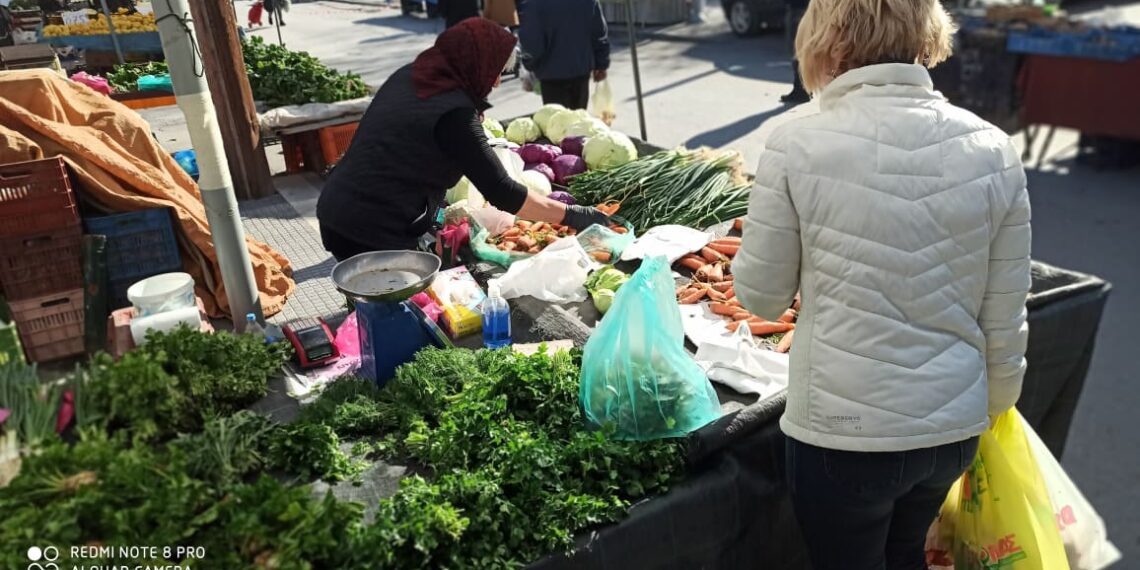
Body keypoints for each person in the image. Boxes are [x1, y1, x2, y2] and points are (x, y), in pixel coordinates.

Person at [731, 0, 1032, 567]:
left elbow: (762, 297)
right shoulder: (993, 148)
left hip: (843, 436)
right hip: (951, 429)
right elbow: (1006, 306)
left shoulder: (796, 143)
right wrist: (992, 403)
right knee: (906, 555)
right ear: (927, 36)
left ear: (829, 41)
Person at [316, 18, 609, 261]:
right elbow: (503, 192)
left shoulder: (412, 75)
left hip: (338, 207)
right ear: (474, 64)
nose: (495, 82)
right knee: (387, 313)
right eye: (494, 72)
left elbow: (411, 147)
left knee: (365, 305)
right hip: (371, 229)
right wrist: (574, 215)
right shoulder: (453, 112)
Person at [517, 0, 609, 110]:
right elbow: (599, 33)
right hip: (581, 71)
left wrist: (530, 65)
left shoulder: (534, 3)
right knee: (579, 121)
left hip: (552, 76)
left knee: (558, 123)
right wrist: (601, 64)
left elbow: (532, 42)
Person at [780, 0, 809, 103]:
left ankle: (800, 90)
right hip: (806, 9)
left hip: (798, 9)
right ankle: (804, 88)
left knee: (797, 50)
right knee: (802, 50)